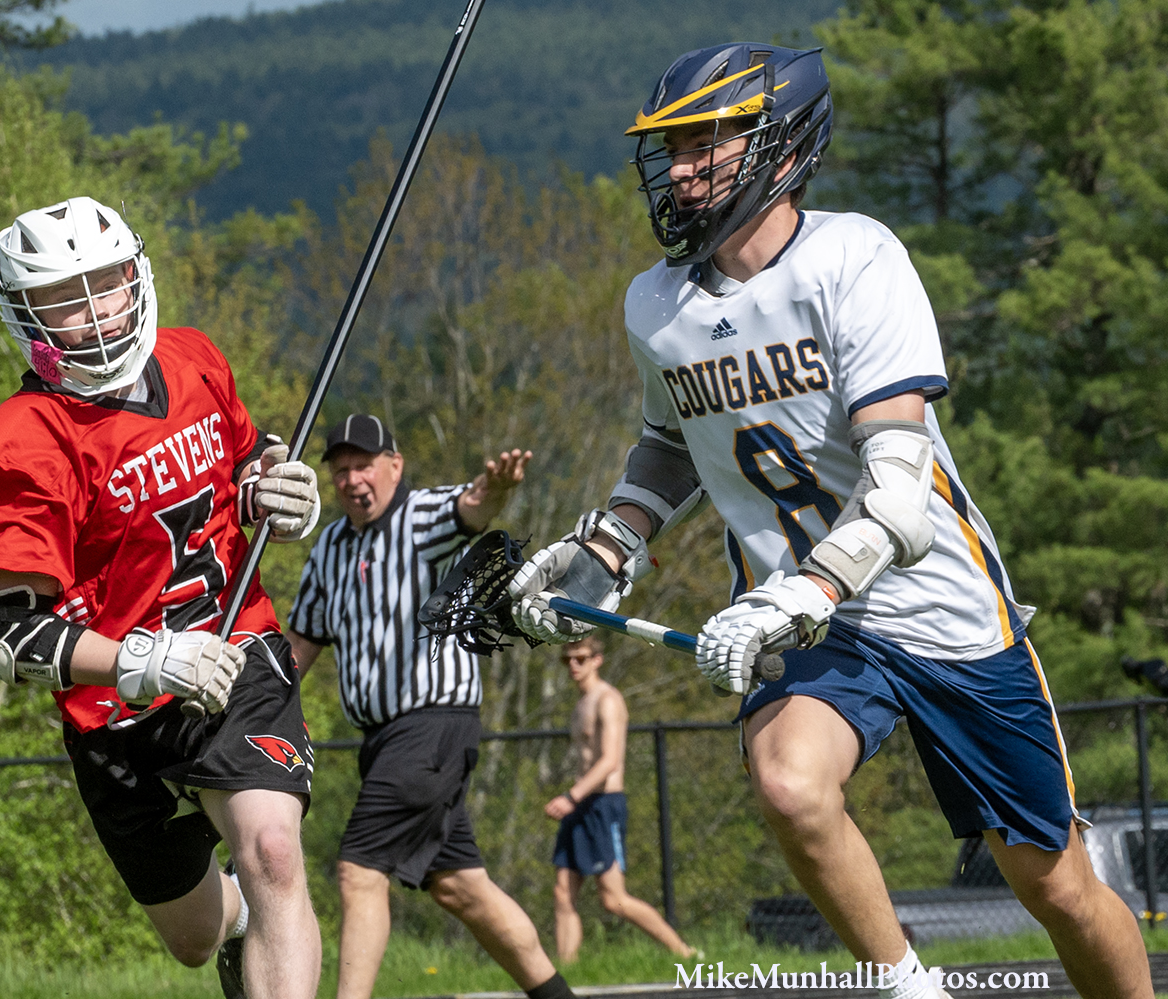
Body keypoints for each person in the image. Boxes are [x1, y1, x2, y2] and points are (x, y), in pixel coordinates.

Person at [509, 44, 1153, 999]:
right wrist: (607, 545)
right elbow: (673, 444)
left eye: (702, 143)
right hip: (809, 621)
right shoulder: (656, 303)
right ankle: (907, 986)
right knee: (789, 782)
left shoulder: (855, 257)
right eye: (670, 148)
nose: (679, 170)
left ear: (779, 144)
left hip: (939, 609)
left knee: (1055, 883)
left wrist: (806, 587)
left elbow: (898, 490)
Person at [0, 197, 323, 999]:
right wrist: (147, 659)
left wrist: (274, 487)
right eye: (64, 297)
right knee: (194, 938)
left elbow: (241, 461)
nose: (95, 310)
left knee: (272, 851)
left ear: (137, 277)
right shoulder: (27, 436)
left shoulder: (194, 358)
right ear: (25, 314)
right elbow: (14, 638)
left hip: (234, 645)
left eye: (106, 283)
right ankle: (240, 927)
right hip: (115, 707)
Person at [285, 415, 577, 999]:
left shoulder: (422, 517)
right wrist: (245, 700)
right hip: (384, 741)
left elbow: (471, 508)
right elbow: (299, 648)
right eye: (340, 470)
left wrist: (496, 489)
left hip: (431, 725)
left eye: (364, 465)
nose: (352, 479)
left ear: (395, 466)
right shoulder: (329, 550)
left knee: (359, 871)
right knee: (460, 887)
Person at [546, 637, 694, 963]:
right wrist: (575, 799)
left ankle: (685, 953)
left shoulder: (608, 700)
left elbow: (609, 761)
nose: (573, 666)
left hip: (603, 804)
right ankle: (565, 971)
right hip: (580, 804)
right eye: (567, 660)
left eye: (581, 658)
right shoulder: (580, 704)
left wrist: (571, 796)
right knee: (563, 892)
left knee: (613, 899)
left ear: (597, 660)